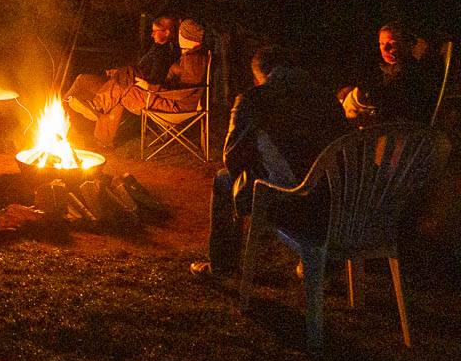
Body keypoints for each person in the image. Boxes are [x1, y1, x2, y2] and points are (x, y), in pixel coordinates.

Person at [192, 46, 349, 279]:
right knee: (306, 175)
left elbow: (232, 158)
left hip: (292, 205)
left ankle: (222, 266)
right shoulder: (327, 98)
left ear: (258, 76)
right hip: (339, 203)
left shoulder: (254, 99)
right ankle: (317, 259)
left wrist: (260, 158)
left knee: (224, 179)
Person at [77, 18, 210, 146]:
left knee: (123, 88)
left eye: (181, 33)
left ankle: (97, 110)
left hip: (174, 105)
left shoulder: (195, 59)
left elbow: (184, 91)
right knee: (125, 79)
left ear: (187, 36)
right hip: (167, 97)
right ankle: (100, 124)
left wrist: (149, 86)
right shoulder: (191, 55)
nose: (179, 36)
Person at [65, 15, 179, 125]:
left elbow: (156, 79)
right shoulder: (156, 46)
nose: (152, 34)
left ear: (167, 32)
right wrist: (119, 72)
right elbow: (142, 67)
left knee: (125, 79)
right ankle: (62, 111)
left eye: (156, 31)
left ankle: (97, 105)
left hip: (141, 91)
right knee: (83, 79)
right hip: (125, 84)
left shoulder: (167, 53)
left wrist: (135, 78)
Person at [339, 22, 436, 124]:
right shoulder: (386, 70)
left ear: (407, 45)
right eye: (381, 43)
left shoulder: (411, 73)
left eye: (392, 43)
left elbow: (390, 107)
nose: (385, 48)